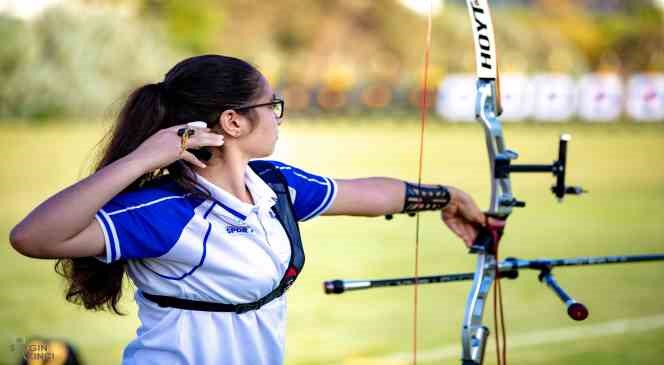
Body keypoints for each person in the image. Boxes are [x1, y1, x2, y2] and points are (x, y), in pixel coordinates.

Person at [9, 54, 488, 365]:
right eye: (271, 104)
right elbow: (33, 237)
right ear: (234, 121)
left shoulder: (274, 186)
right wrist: (144, 158)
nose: (278, 115)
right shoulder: (166, 210)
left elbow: (364, 194)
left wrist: (447, 197)